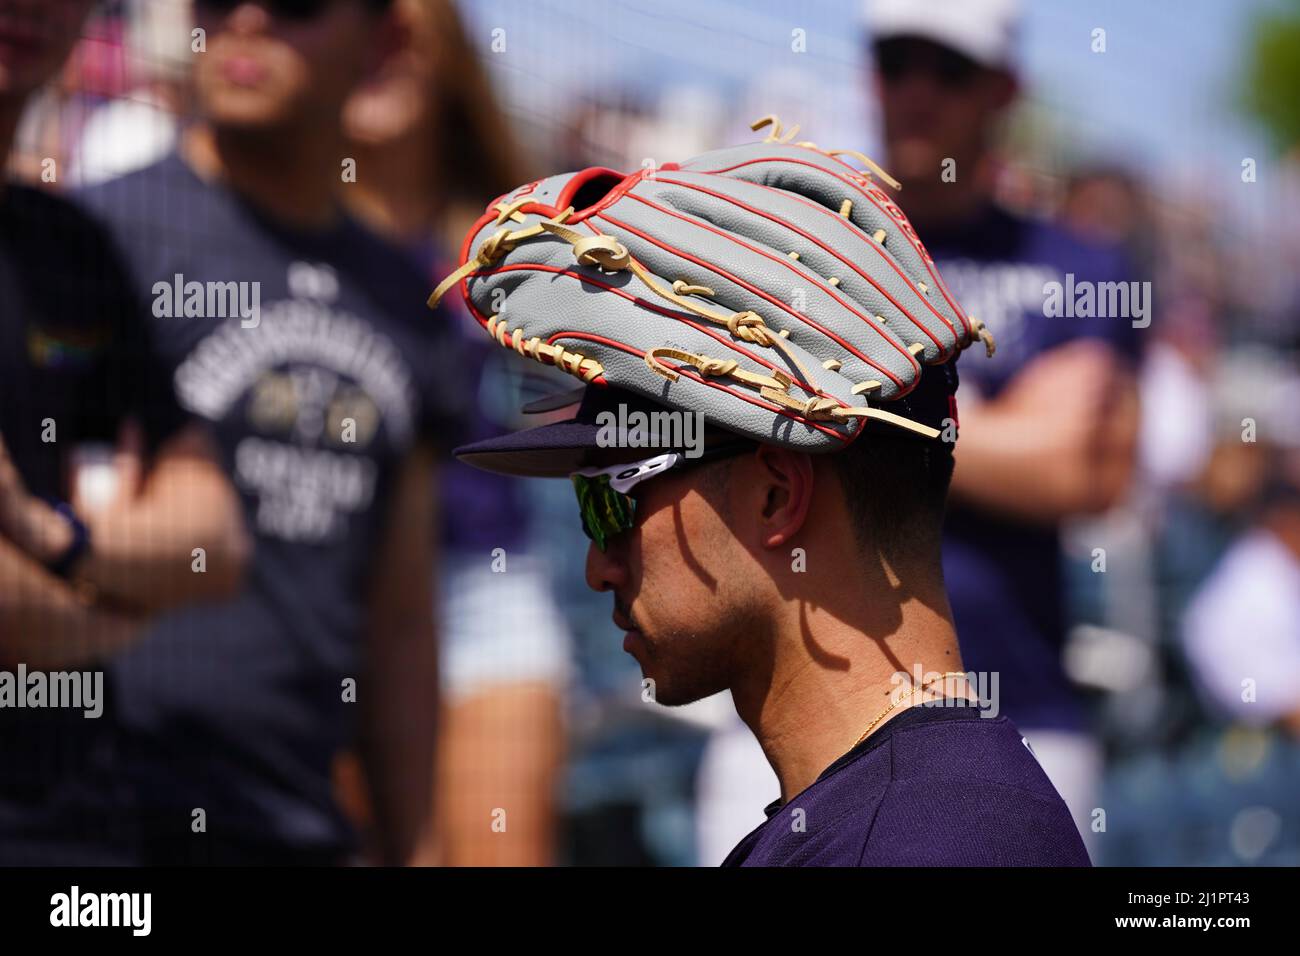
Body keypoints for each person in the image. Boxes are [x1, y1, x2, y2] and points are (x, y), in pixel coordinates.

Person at [431, 125, 1091, 866]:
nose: (598, 566)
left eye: (610, 501)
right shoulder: (901, 819)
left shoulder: (934, 844)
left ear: (777, 495)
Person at [56, 0, 460, 865]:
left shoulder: (406, 302)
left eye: (294, 4)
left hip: (294, 824)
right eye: (212, 2)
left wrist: (416, 847)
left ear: (381, 41)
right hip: (96, 822)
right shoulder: (90, 241)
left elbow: (400, 623)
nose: (242, 23)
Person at [863, 0, 1142, 841]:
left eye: (947, 69)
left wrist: (864, 399)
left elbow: (1083, 468)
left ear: (1003, 89)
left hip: (1022, 722)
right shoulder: (819, 247)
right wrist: (991, 420)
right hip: (812, 724)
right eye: (895, 61)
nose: (916, 91)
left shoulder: (1077, 264)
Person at [0, 0, 248, 863]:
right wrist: (117, 608)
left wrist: (45, 533)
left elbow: (214, 539)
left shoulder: (69, 245)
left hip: (81, 837)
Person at [340, 0, 572, 866]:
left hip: (488, 588)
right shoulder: (294, 240)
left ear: (447, 58)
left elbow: (567, 427)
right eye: (359, 26)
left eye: (402, 32)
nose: (379, 53)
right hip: (336, 595)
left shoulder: (513, 245)